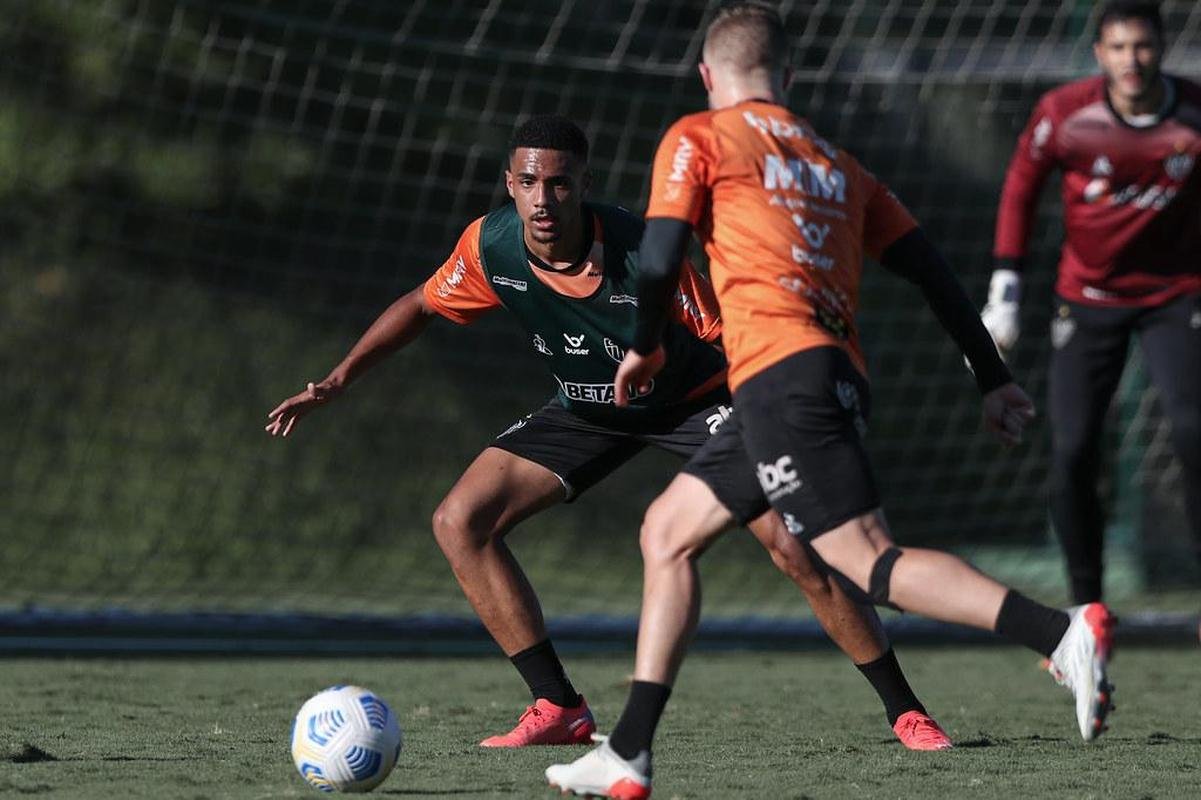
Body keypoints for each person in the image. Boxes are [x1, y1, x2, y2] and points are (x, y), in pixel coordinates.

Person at [547, 6, 1115, 798]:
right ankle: (629, 751)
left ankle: (1060, 634)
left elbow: (657, 256)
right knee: (667, 532)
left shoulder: (700, 136)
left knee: (868, 563)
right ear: (787, 78)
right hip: (819, 377)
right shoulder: (839, 165)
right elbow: (935, 276)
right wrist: (992, 377)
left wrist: (644, 342)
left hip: (782, 379)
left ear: (709, 77)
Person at [266, 115, 948, 750]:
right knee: (459, 520)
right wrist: (338, 379)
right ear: (509, 183)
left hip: (696, 401)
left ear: (583, 186)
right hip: (588, 408)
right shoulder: (490, 243)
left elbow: (732, 340)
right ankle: (557, 707)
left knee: (791, 547)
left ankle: (904, 709)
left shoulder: (644, 251)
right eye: (528, 181)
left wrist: (772, 426)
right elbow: (420, 304)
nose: (543, 197)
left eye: (559, 182)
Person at [985, 0, 1200, 605]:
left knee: (1193, 431)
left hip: (1176, 295)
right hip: (1085, 299)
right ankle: (1087, 609)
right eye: (1119, 48)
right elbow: (1019, 193)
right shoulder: (1063, 115)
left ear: (1161, 49)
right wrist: (1006, 289)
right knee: (1074, 449)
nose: (1132, 61)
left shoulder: (1193, 114)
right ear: (1098, 53)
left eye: (1143, 47)